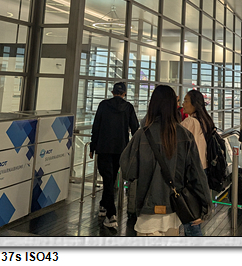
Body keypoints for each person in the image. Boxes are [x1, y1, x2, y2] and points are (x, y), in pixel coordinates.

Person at [120, 85, 210, 236]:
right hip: (173, 211)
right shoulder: (185, 135)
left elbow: (128, 171)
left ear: (152, 105)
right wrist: (206, 206)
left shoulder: (142, 135)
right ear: (173, 106)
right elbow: (197, 174)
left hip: (147, 212)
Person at [90, 82, 139, 228]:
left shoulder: (103, 105)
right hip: (120, 149)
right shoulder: (128, 107)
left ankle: (111, 215)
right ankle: (104, 205)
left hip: (103, 148)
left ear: (112, 92)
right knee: (111, 179)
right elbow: (135, 128)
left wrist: (92, 146)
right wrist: (135, 149)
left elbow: (96, 126)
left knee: (108, 179)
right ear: (124, 93)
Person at [179, 89, 216, 236]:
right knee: (196, 214)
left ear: (194, 104)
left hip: (192, 171)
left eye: (186, 101)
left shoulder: (190, 122)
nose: (183, 104)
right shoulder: (206, 120)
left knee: (191, 218)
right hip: (203, 169)